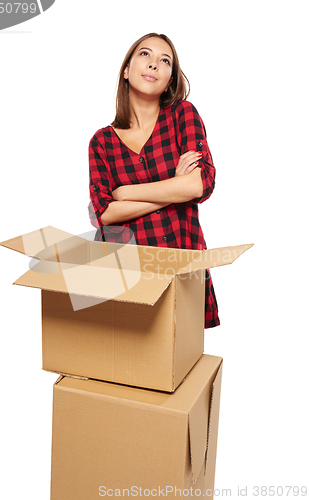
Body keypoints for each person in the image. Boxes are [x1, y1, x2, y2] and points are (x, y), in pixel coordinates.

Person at [88, 33, 220, 328]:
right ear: (126, 69)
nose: (154, 65)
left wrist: (125, 193)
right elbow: (104, 214)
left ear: (170, 79)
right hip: (125, 271)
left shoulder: (182, 115)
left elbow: (200, 184)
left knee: (181, 364)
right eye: (145, 55)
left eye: (165, 61)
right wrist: (174, 187)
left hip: (182, 261)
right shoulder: (102, 142)